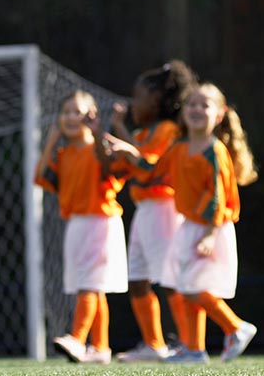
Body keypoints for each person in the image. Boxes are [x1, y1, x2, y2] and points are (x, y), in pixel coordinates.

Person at [107, 82, 258, 364]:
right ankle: (195, 350)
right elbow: (152, 171)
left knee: (190, 287)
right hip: (189, 227)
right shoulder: (178, 147)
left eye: (205, 105)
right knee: (185, 284)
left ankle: (235, 327)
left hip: (211, 228)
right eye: (192, 104)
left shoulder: (215, 151)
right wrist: (130, 152)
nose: (197, 109)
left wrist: (210, 234)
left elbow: (217, 196)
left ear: (220, 114)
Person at [108, 60, 196, 362]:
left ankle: (189, 344)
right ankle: (154, 344)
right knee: (137, 278)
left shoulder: (168, 130)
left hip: (164, 209)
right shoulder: (144, 132)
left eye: (140, 96)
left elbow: (148, 167)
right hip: (145, 210)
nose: (134, 103)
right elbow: (124, 166)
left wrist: (123, 136)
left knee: (170, 279)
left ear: (157, 99)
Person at [34, 90, 128, 364]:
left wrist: (99, 134)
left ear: (92, 116)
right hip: (77, 224)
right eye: (66, 112)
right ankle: (100, 348)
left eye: (78, 111)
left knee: (88, 283)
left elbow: (111, 168)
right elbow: (40, 175)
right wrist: (51, 141)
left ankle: (77, 338)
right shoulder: (63, 155)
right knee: (92, 286)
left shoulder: (102, 147)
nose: (72, 117)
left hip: (101, 222)